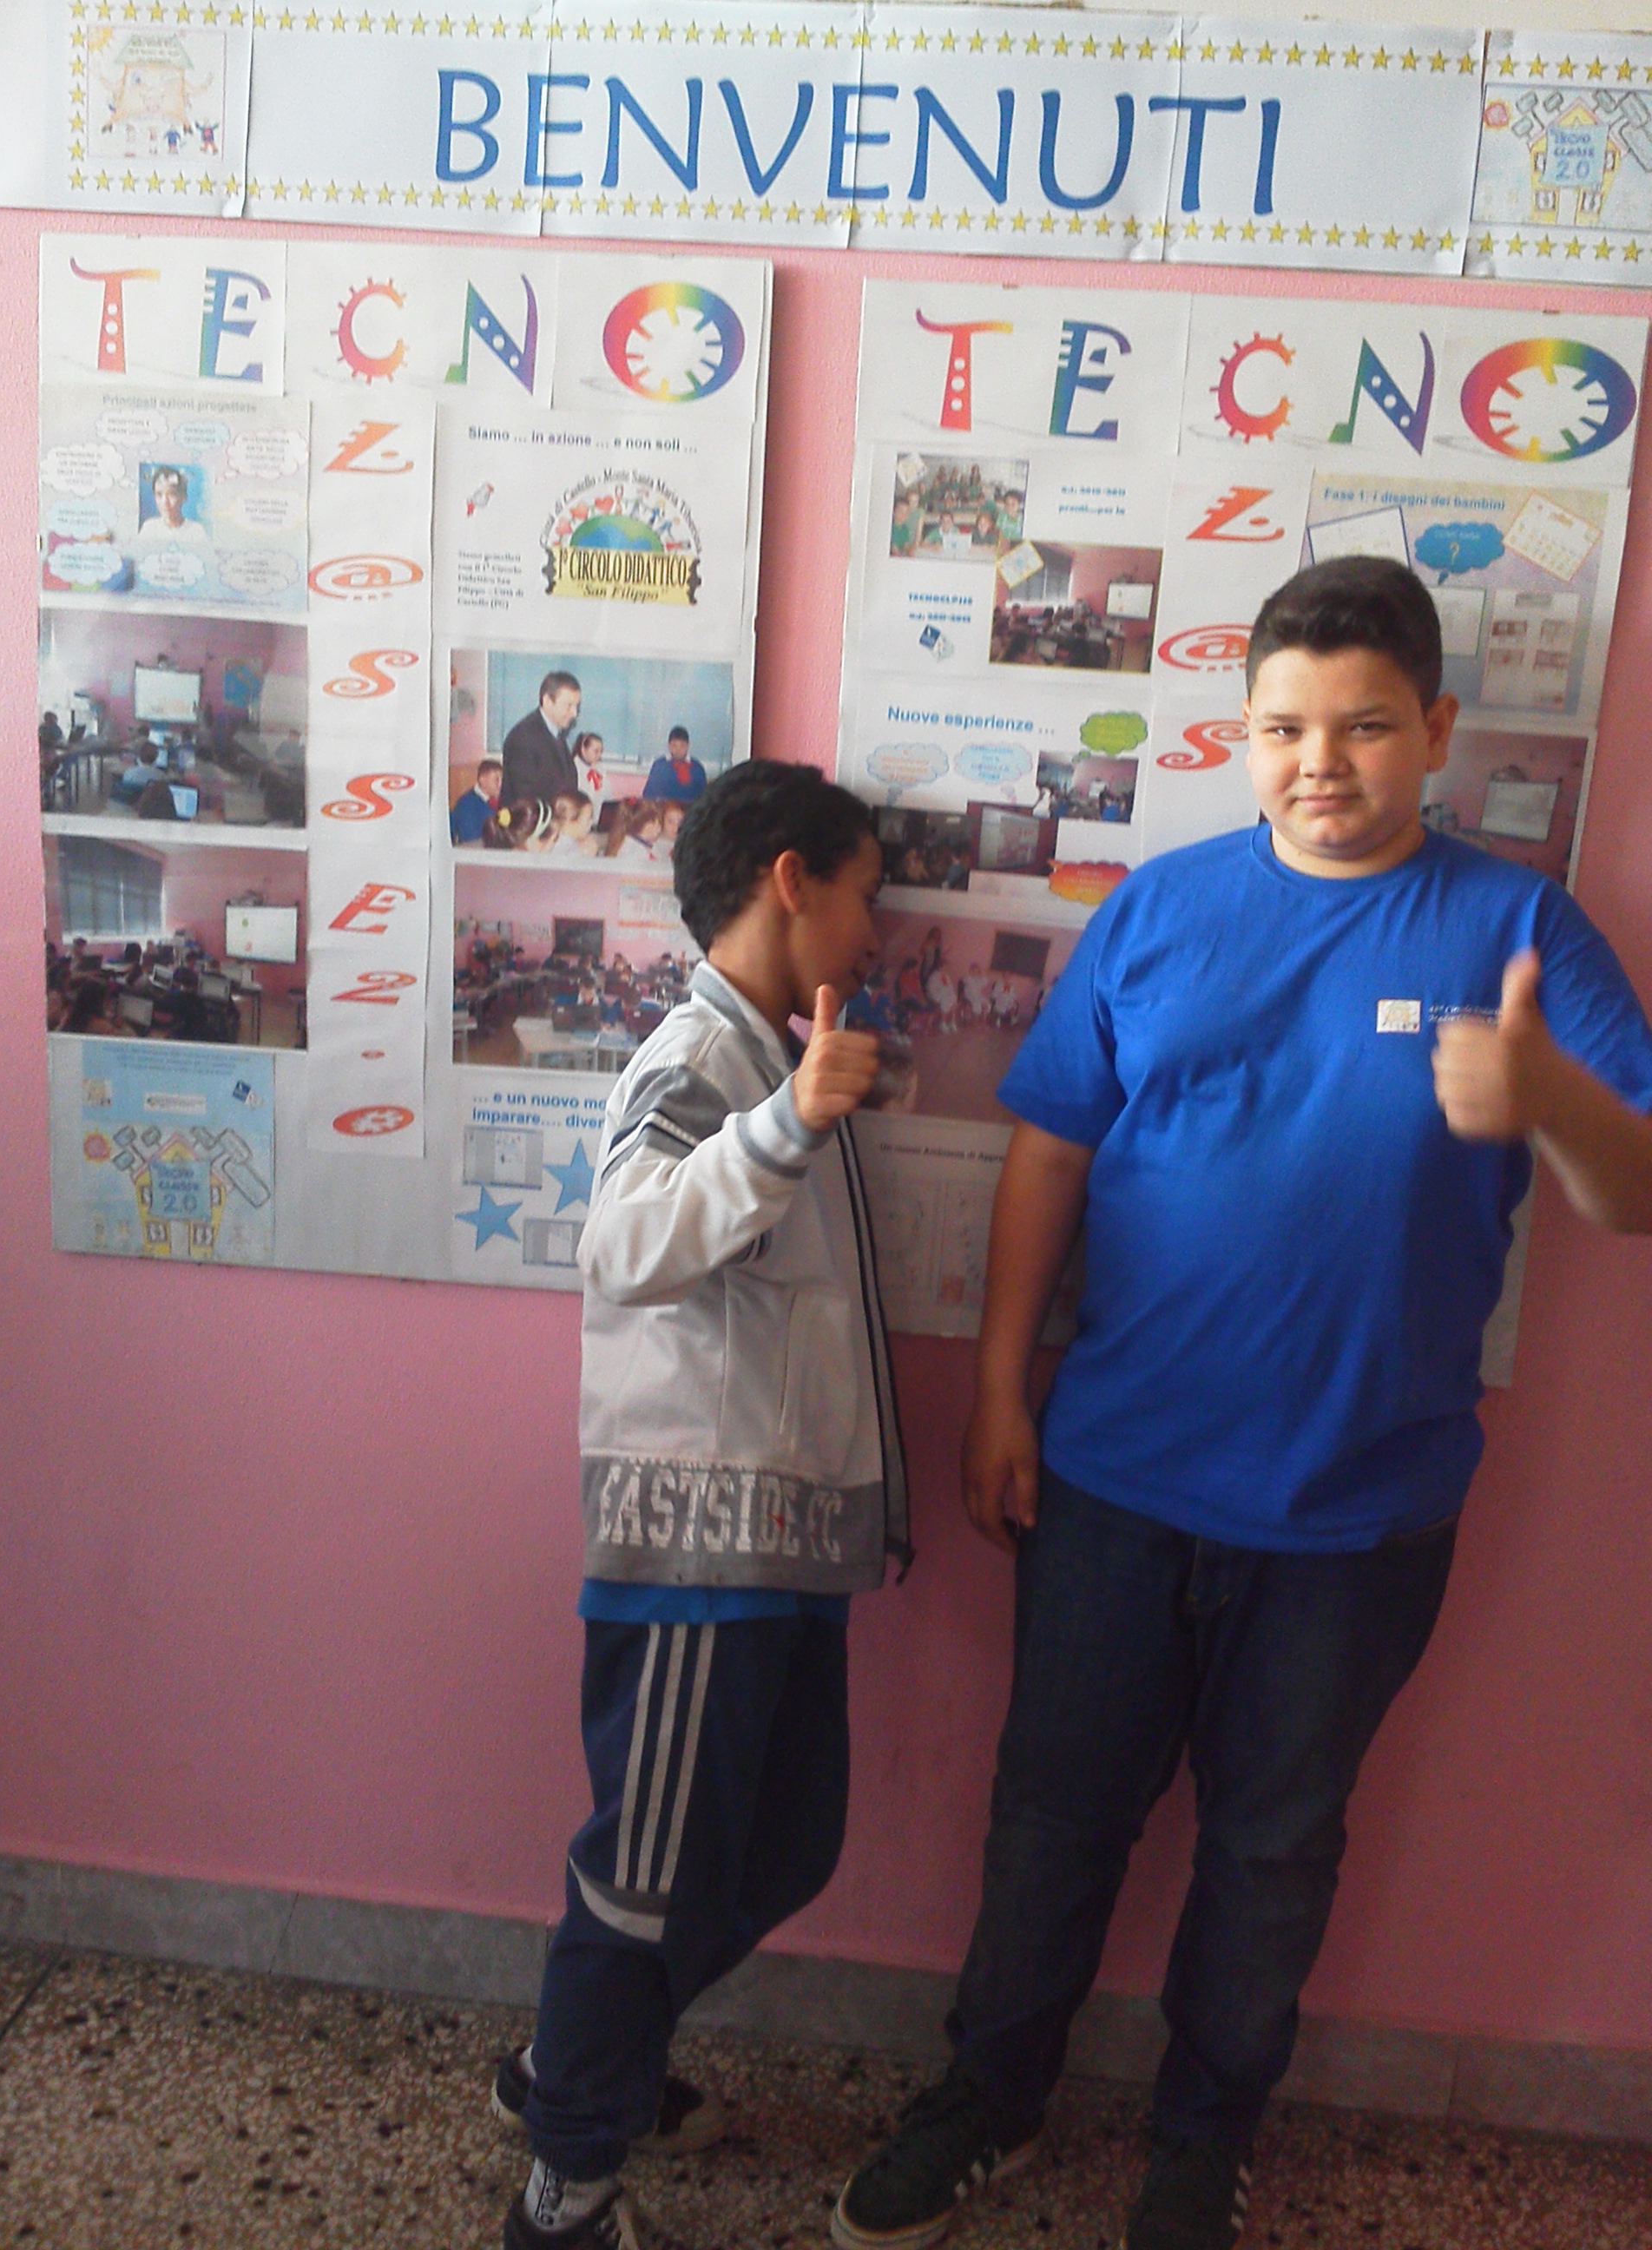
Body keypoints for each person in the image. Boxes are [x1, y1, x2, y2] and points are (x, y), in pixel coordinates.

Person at [831, 557, 1652, 2250]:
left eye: (1363, 725)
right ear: (1242, 729)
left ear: (1434, 728)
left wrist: (1549, 1098)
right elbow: (1049, 1152)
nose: (1318, 762)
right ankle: (986, 2096)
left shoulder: (1519, 933)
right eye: (1284, 727)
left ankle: (1203, 2145)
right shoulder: (1157, 908)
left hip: (1356, 1513)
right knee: (1052, 1821)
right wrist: (998, 1396)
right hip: (1113, 1479)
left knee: (1272, 1853)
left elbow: (1633, 1193)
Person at [500, 760, 909, 2250]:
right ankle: (567, 2185)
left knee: (786, 1845)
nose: (877, 930)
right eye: (865, 895)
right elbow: (623, 1244)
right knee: (645, 1878)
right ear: (791, 882)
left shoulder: (778, 1054)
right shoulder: (697, 1058)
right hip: (694, 1554)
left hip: (782, 1551)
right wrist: (785, 1125)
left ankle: (572, 2061)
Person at [503, 672, 582, 809]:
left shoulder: (556, 733)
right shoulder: (523, 737)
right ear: (547, 701)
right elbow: (526, 799)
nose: (574, 713)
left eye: (576, 706)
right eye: (569, 706)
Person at [642, 727, 708, 804]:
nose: (678, 750)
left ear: (688, 745)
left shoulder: (697, 768)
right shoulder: (659, 765)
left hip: (690, 809)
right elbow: (648, 795)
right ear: (669, 745)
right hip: (664, 808)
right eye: (674, 745)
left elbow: (704, 798)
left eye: (682, 746)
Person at [451, 758, 505, 845]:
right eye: (496, 779)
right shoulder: (466, 804)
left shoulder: (500, 801)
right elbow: (470, 841)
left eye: (502, 780)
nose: (500, 784)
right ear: (482, 780)